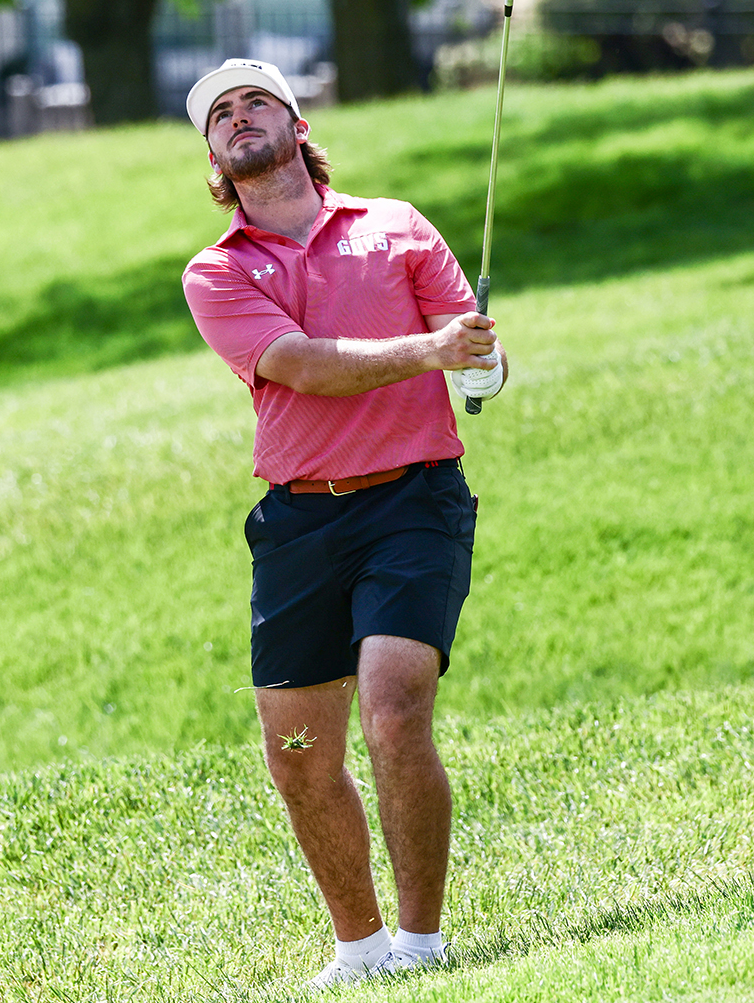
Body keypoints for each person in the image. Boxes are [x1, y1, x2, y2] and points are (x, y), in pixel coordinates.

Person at [179, 59, 507, 989]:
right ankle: (361, 953)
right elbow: (304, 366)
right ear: (214, 156)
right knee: (299, 757)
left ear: (298, 125)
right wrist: (434, 350)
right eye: (220, 115)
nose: (239, 118)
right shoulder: (218, 272)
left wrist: (482, 362)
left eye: (257, 102)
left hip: (413, 503)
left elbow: (472, 348)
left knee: (393, 711)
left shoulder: (396, 225)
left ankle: (422, 947)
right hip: (300, 525)